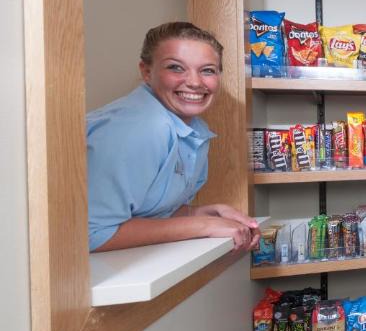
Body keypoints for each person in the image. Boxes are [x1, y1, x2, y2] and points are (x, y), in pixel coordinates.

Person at [87, 22, 260, 252]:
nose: (195, 82)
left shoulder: (194, 130)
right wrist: (201, 225)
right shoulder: (138, 129)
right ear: (147, 72)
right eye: (176, 68)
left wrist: (203, 212)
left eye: (207, 70)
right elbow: (92, 234)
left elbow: (149, 213)